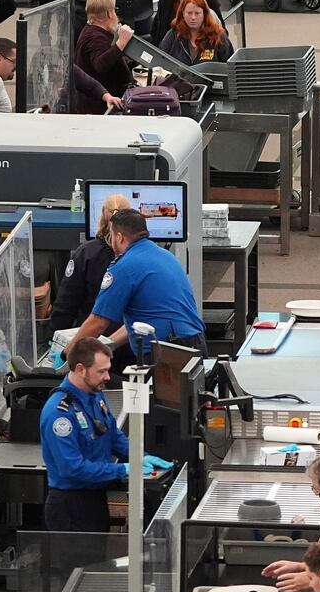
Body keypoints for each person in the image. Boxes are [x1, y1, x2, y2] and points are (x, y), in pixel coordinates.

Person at [75, 208, 205, 354]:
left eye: (110, 236)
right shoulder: (165, 256)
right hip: (195, 345)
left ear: (119, 237)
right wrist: (108, 345)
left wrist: (67, 353)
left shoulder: (123, 266)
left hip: (169, 354)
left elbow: (98, 322)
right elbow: (144, 320)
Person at [39, 337, 130, 531]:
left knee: (99, 561)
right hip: (70, 507)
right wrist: (122, 469)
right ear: (80, 369)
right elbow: (73, 468)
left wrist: (142, 458)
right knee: (78, 562)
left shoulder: (94, 394)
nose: (107, 377)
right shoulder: (59, 413)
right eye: (102, 371)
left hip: (95, 499)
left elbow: (112, 434)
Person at [52, 193, 130, 331]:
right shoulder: (142, 254)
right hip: (133, 339)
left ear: (102, 214)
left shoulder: (86, 253)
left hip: (91, 339)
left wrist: (53, 341)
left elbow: (66, 304)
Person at [71, 0, 135, 115]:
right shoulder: (96, 37)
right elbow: (100, 64)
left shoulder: (92, 31)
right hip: (98, 108)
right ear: (109, 13)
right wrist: (121, 43)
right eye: (114, 10)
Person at [157, 0, 233, 66]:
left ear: (205, 14)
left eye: (197, 13)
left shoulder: (218, 35)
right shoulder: (173, 34)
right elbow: (159, 62)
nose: (193, 18)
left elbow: (231, 66)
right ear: (182, 14)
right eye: (189, 13)